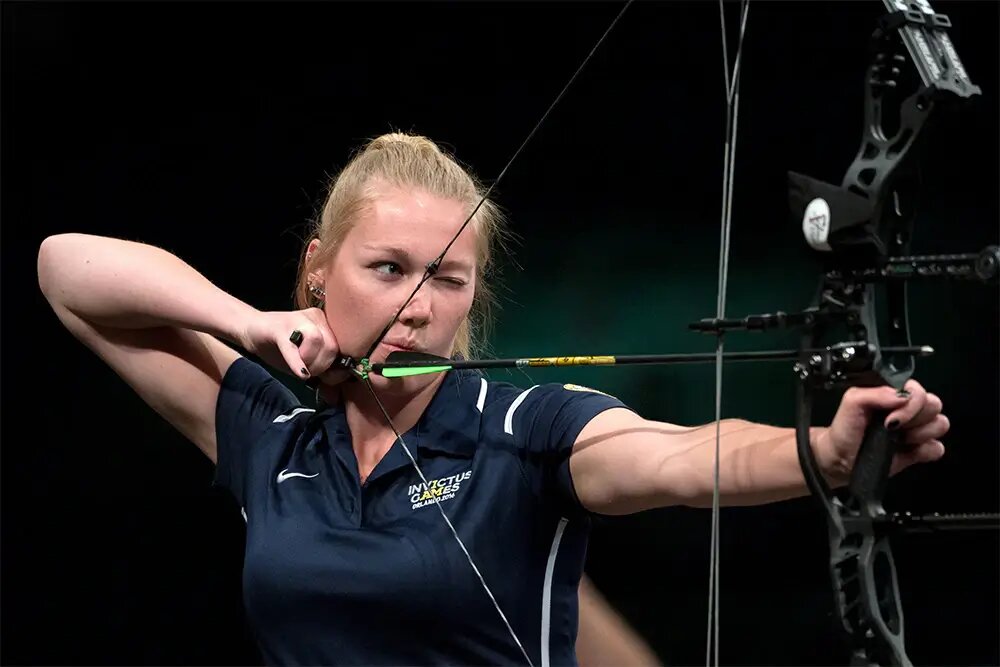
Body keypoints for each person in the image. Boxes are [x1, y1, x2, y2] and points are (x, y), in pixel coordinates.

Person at [36, 132, 948, 666]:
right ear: (319, 268)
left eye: (450, 280)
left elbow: (673, 454)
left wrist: (820, 453)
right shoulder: (271, 436)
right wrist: (247, 325)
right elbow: (66, 267)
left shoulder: (525, 427)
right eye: (387, 269)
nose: (419, 306)